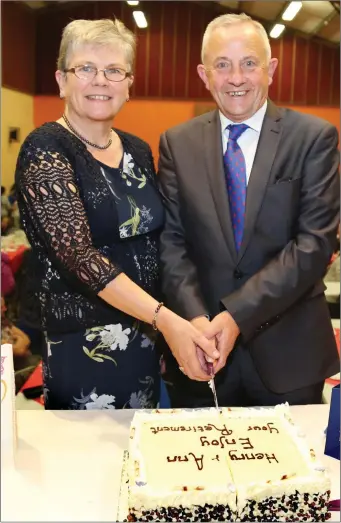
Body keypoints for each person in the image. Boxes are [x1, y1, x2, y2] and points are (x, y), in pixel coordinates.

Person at [15, 18, 217, 410]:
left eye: (114, 70)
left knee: (142, 456)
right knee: (90, 465)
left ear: (129, 85)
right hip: (83, 345)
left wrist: (189, 316)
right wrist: (167, 320)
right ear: (61, 80)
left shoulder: (138, 150)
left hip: (146, 337)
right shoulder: (46, 150)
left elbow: (162, 240)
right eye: (85, 68)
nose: (100, 80)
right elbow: (79, 257)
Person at [158, 13, 340, 408]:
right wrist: (195, 319)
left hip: (289, 357)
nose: (236, 78)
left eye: (249, 63)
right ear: (204, 75)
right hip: (201, 352)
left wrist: (236, 315)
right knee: (197, 467)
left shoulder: (313, 138)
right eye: (222, 65)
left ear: (270, 69)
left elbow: (315, 244)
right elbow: (172, 242)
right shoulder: (177, 143)